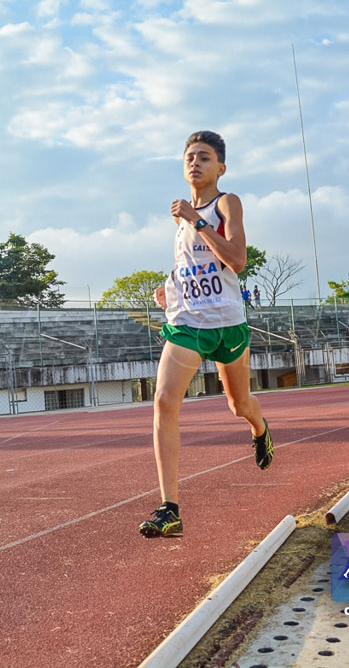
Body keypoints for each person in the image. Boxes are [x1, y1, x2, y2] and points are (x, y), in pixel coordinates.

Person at [139, 130, 273, 539]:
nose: (195, 163)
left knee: (239, 404)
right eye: (190, 158)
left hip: (227, 325)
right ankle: (170, 508)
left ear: (221, 168)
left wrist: (197, 220)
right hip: (187, 324)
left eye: (204, 157)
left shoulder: (225, 203)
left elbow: (235, 260)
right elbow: (188, 262)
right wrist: (169, 286)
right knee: (164, 401)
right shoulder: (181, 223)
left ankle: (260, 428)